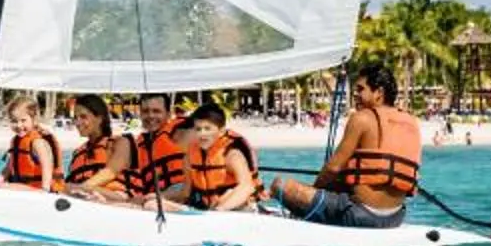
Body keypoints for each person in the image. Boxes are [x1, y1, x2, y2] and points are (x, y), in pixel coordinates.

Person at [268, 62, 422, 228]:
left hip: (359, 215)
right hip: (396, 217)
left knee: (281, 185)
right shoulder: (411, 122)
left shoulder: (361, 118)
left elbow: (333, 169)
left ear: (379, 93)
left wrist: (312, 194)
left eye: (361, 89)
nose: (355, 94)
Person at [179, 101, 261, 212]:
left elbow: (247, 187)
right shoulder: (189, 157)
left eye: (207, 128)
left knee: (229, 192)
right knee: (153, 204)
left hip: (237, 207)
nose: (202, 134)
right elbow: (185, 192)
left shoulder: (232, 155)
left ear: (221, 131)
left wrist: (219, 210)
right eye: (198, 129)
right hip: (209, 208)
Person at [61, 94, 132, 199]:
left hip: (116, 198)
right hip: (85, 199)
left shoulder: (120, 143)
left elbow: (110, 172)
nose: (77, 122)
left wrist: (80, 188)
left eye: (83, 117)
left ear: (99, 119)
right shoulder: (77, 152)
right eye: (75, 118)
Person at [124, 92, 189, 206]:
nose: (150, 116)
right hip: (156, 199)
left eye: (156, 111)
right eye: (145, 111)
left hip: (183, 191)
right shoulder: (139, 144)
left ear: (168, 114)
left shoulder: (181, 130)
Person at [0, 96, 61, 190]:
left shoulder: (37, 142)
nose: (19, 125)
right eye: (14, 121)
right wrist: (0, 180)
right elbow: (8, 167)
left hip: (36, 189)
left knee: (5, 187)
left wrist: (45, 189)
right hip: (20, 189)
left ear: (34, 119)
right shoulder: (15, 141)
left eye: (23, 120)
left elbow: (46, 166)